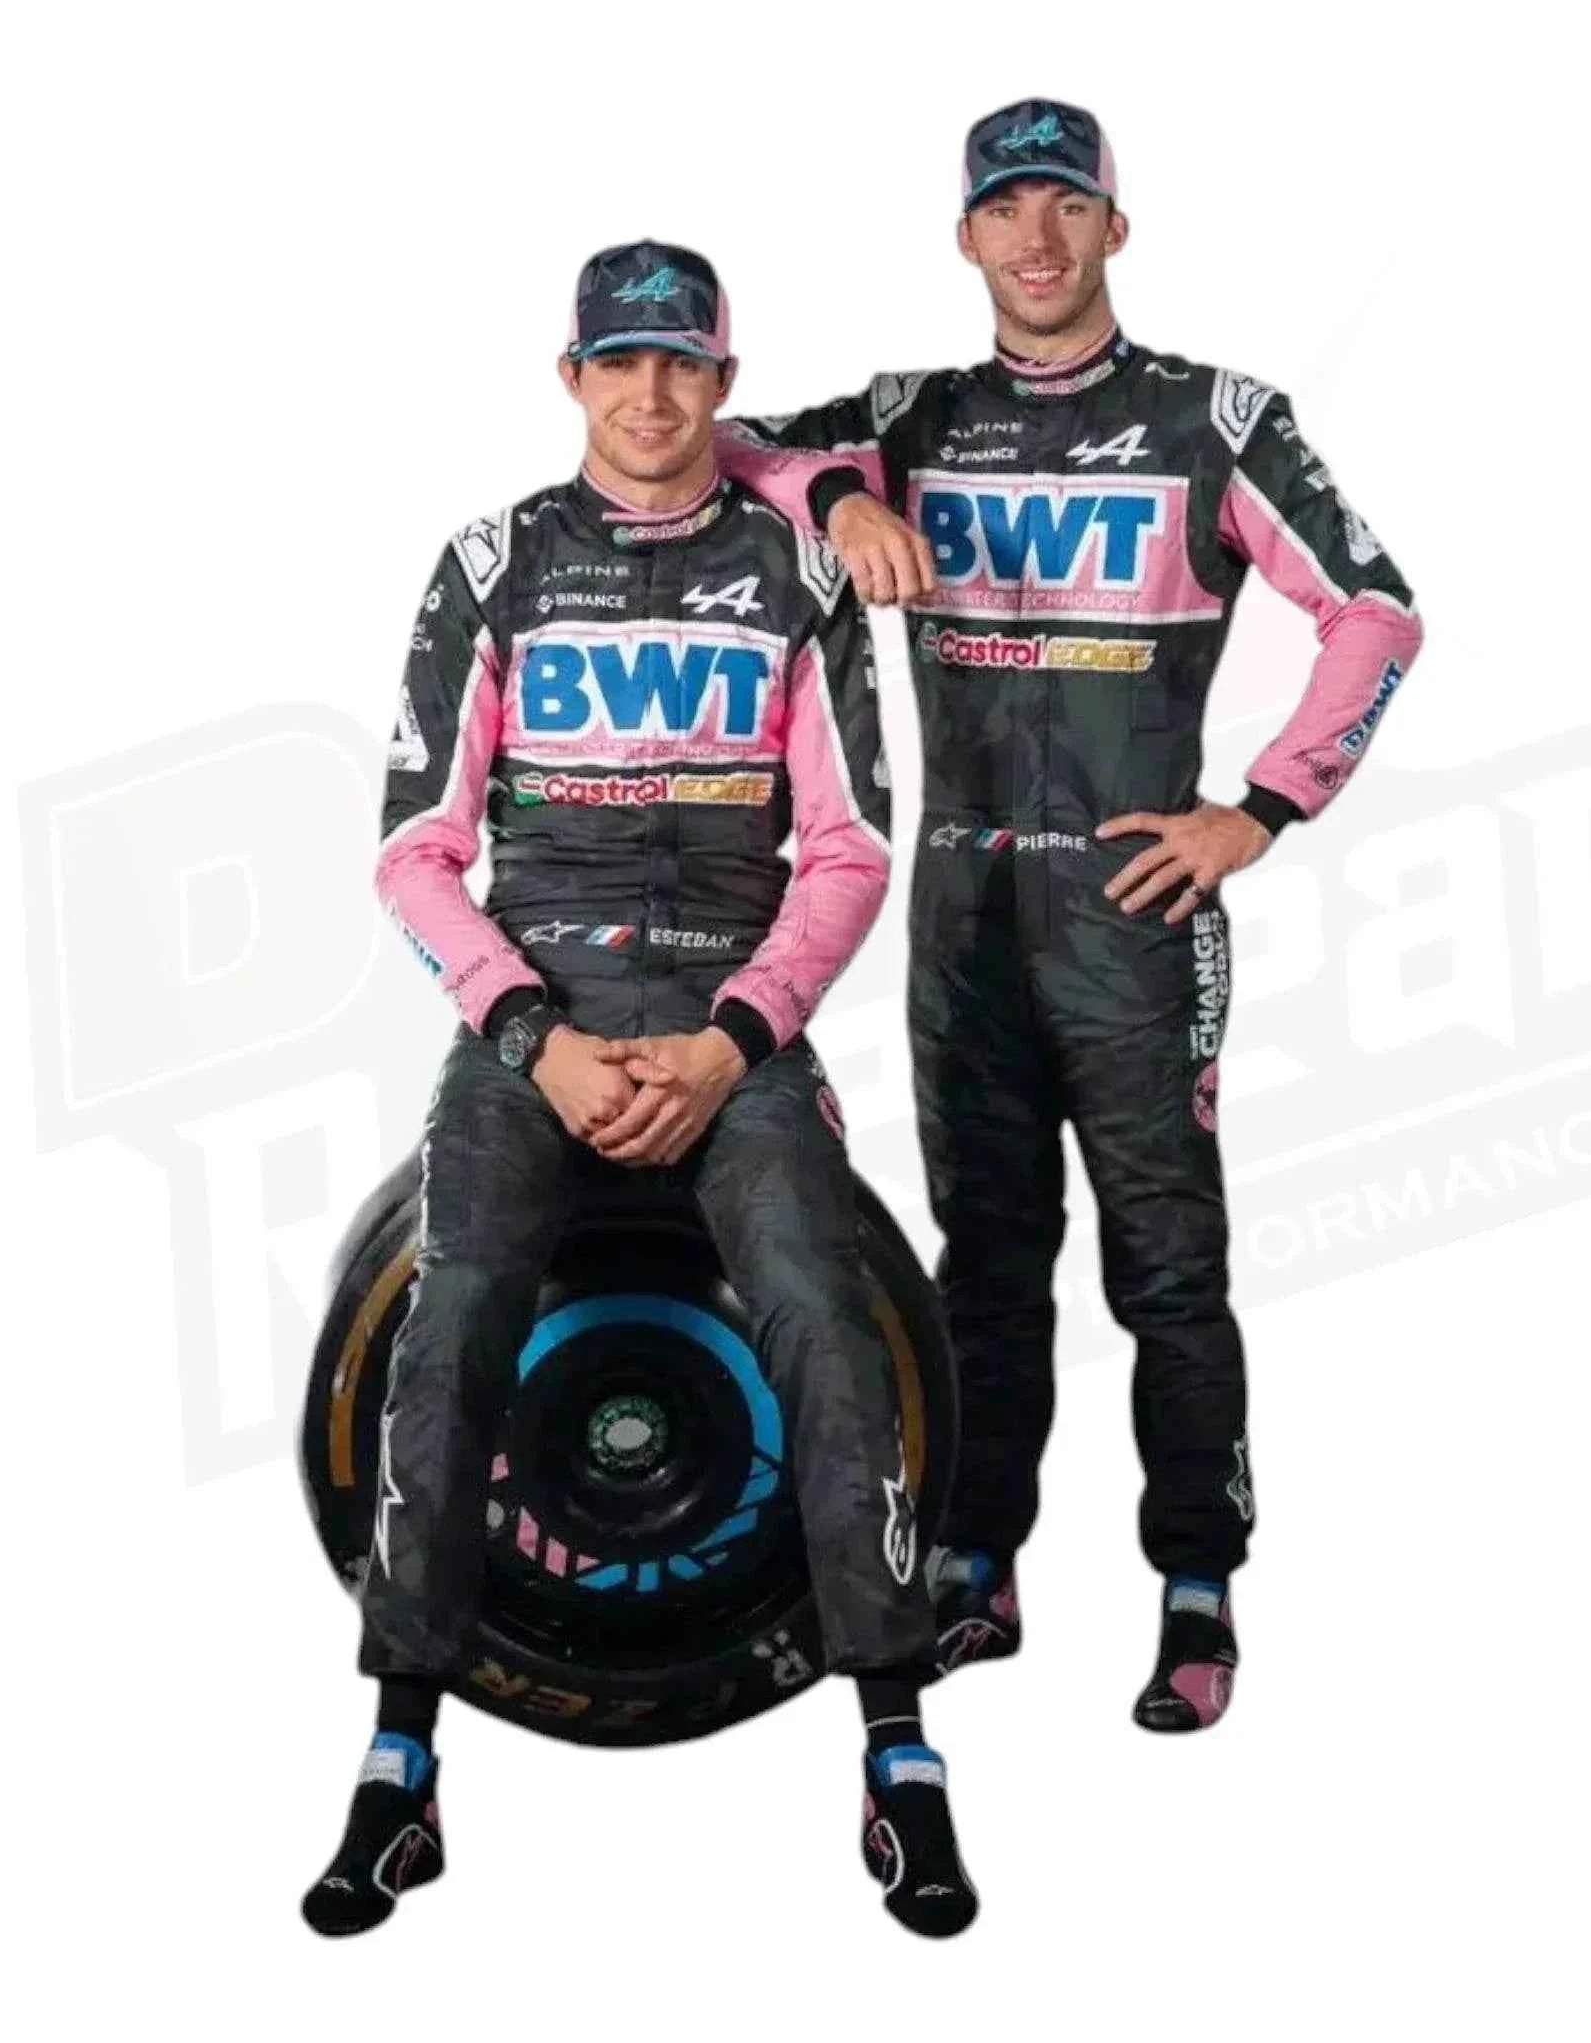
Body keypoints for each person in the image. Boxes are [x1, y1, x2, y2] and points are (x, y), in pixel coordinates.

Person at [719, 100, 1424, 1731]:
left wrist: (1261, 808)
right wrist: (840, 504)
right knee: (984, 1263)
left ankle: (1197, 1590)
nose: (1036, 240)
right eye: (1005, 210)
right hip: (963, 912)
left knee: (1167, 1272)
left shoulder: (1213, 418)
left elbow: (1378, 613)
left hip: (1132, 915)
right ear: (965, 236)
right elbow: (720, 447)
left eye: (1065, 206)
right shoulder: (908, 418)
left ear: (1115, 225)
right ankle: (979, 1564)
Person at [303, 242, 976, 1940]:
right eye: (621, 363)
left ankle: (899, 1751)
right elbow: (412, 850)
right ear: (573, 378)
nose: (651, 394)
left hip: (730, 1017)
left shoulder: (795, 567)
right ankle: (399, 1763)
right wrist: (532, 1035)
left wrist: (735, 1040)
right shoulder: (495, 565)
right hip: (538, 1017)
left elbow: (850, 848)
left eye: (683, 364)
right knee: (456, 1314)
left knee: (822, 1303)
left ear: (724, 386)